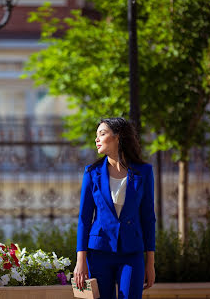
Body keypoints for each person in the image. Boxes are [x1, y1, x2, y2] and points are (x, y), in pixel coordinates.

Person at [73, 117, 156, 299]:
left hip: (132, 252)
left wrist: (150, 262)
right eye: (96, 135)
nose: (97, 139)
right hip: (99, 252)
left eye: (102, 134)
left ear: (118, 137)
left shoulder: (144, 172)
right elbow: (84, 219)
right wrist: (81, 261)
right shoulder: (91, 172)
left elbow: (148, 218)